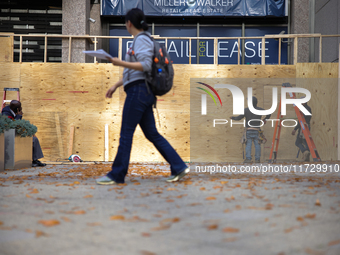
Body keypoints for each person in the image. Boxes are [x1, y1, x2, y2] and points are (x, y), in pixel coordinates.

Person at [96, 8, 189, 185]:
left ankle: (117, 174)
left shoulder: (141, 40)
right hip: (142, 91)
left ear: (129, 23)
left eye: (125, 23)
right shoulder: (140, 40)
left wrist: (117, 62)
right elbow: (136, 70)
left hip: (139, 92)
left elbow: (146, 66)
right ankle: (178, 166)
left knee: (126, 134)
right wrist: (116, 85)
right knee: (152, 133)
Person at [2, 100, 46, 167]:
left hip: (17, 134)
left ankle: (35, 160)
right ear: (17, 109)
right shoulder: (6, 113)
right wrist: (19, 116)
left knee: (34, 139)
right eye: (20, 108)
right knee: (32, 140)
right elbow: (12, 126)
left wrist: (30, 133)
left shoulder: (13, 111)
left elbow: (20, 125)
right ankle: (33, 160)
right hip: (10, 137)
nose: (21, 109)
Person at [230, 96, 271, 163]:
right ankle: (257, 159)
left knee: (248, 145)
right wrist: (265, 120)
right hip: (257, 130)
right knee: (257, 145)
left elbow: (238, 118)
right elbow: (269, 113)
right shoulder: (260, 110)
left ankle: (248, 159)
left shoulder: (246, 110)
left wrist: (232, 118)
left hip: (248, 130)